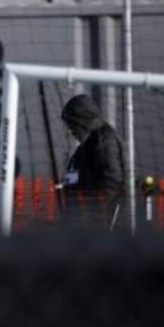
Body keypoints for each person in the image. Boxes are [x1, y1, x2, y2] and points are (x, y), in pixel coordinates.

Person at [61, 94, 124, 229]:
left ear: (83, 119)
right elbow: (75, 174)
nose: (71, 130)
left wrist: (92, 210)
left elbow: (112, 182)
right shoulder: (88, 143)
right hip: (85, 218)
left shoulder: (104, 140)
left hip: (98, 222)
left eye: (72, 124)